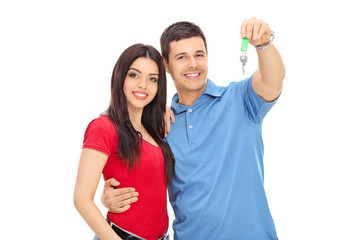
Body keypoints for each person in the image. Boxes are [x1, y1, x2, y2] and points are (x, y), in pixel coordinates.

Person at [102, 17, 285, 239]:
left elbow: (273, 79)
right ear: (166, 65)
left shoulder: (240, 99)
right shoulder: (160, 126)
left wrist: (264, 44)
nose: (193, 64)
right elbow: (143, 179)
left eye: (199, 55)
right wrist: (108, 197)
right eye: (182, 57)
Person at [73, 43, 175, 240]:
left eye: (152, 79)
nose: (143, 85)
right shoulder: (103, 127)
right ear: (120, 77)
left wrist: (166, 108)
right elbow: (81, 199)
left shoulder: (155, 127)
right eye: (134, 75)